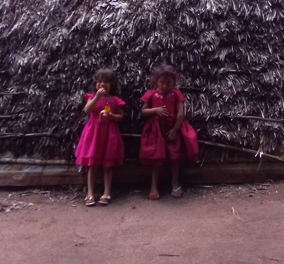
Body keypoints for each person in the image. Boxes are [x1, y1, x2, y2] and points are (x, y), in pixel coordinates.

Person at [139, 63, 199, 200]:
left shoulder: (176, 94)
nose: (165, 86)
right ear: (156, 82)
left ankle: (175, 183)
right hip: (156, 130)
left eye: (169, 83)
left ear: (174, 82)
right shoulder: (151, 94)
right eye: (162, 82)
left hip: (173, 128)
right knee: (156, 157)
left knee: (175, 156)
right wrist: (155, 110)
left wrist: (175, 129)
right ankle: (154, 186)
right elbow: (143, 111)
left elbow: (180, 113)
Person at [75, 69, 125, 206]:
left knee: (108, 165)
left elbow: (121, 117)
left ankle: (106, 192)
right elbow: (86, 111)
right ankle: (90, 193)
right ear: (95, 84)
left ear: (112, 85)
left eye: (106, 82)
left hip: (109, 134)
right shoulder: (91, 97)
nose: (103, 84)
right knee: (93, 164)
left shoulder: (115, 100)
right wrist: (97, 97)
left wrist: (111, 117)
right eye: (100, 81)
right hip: (93, 133)